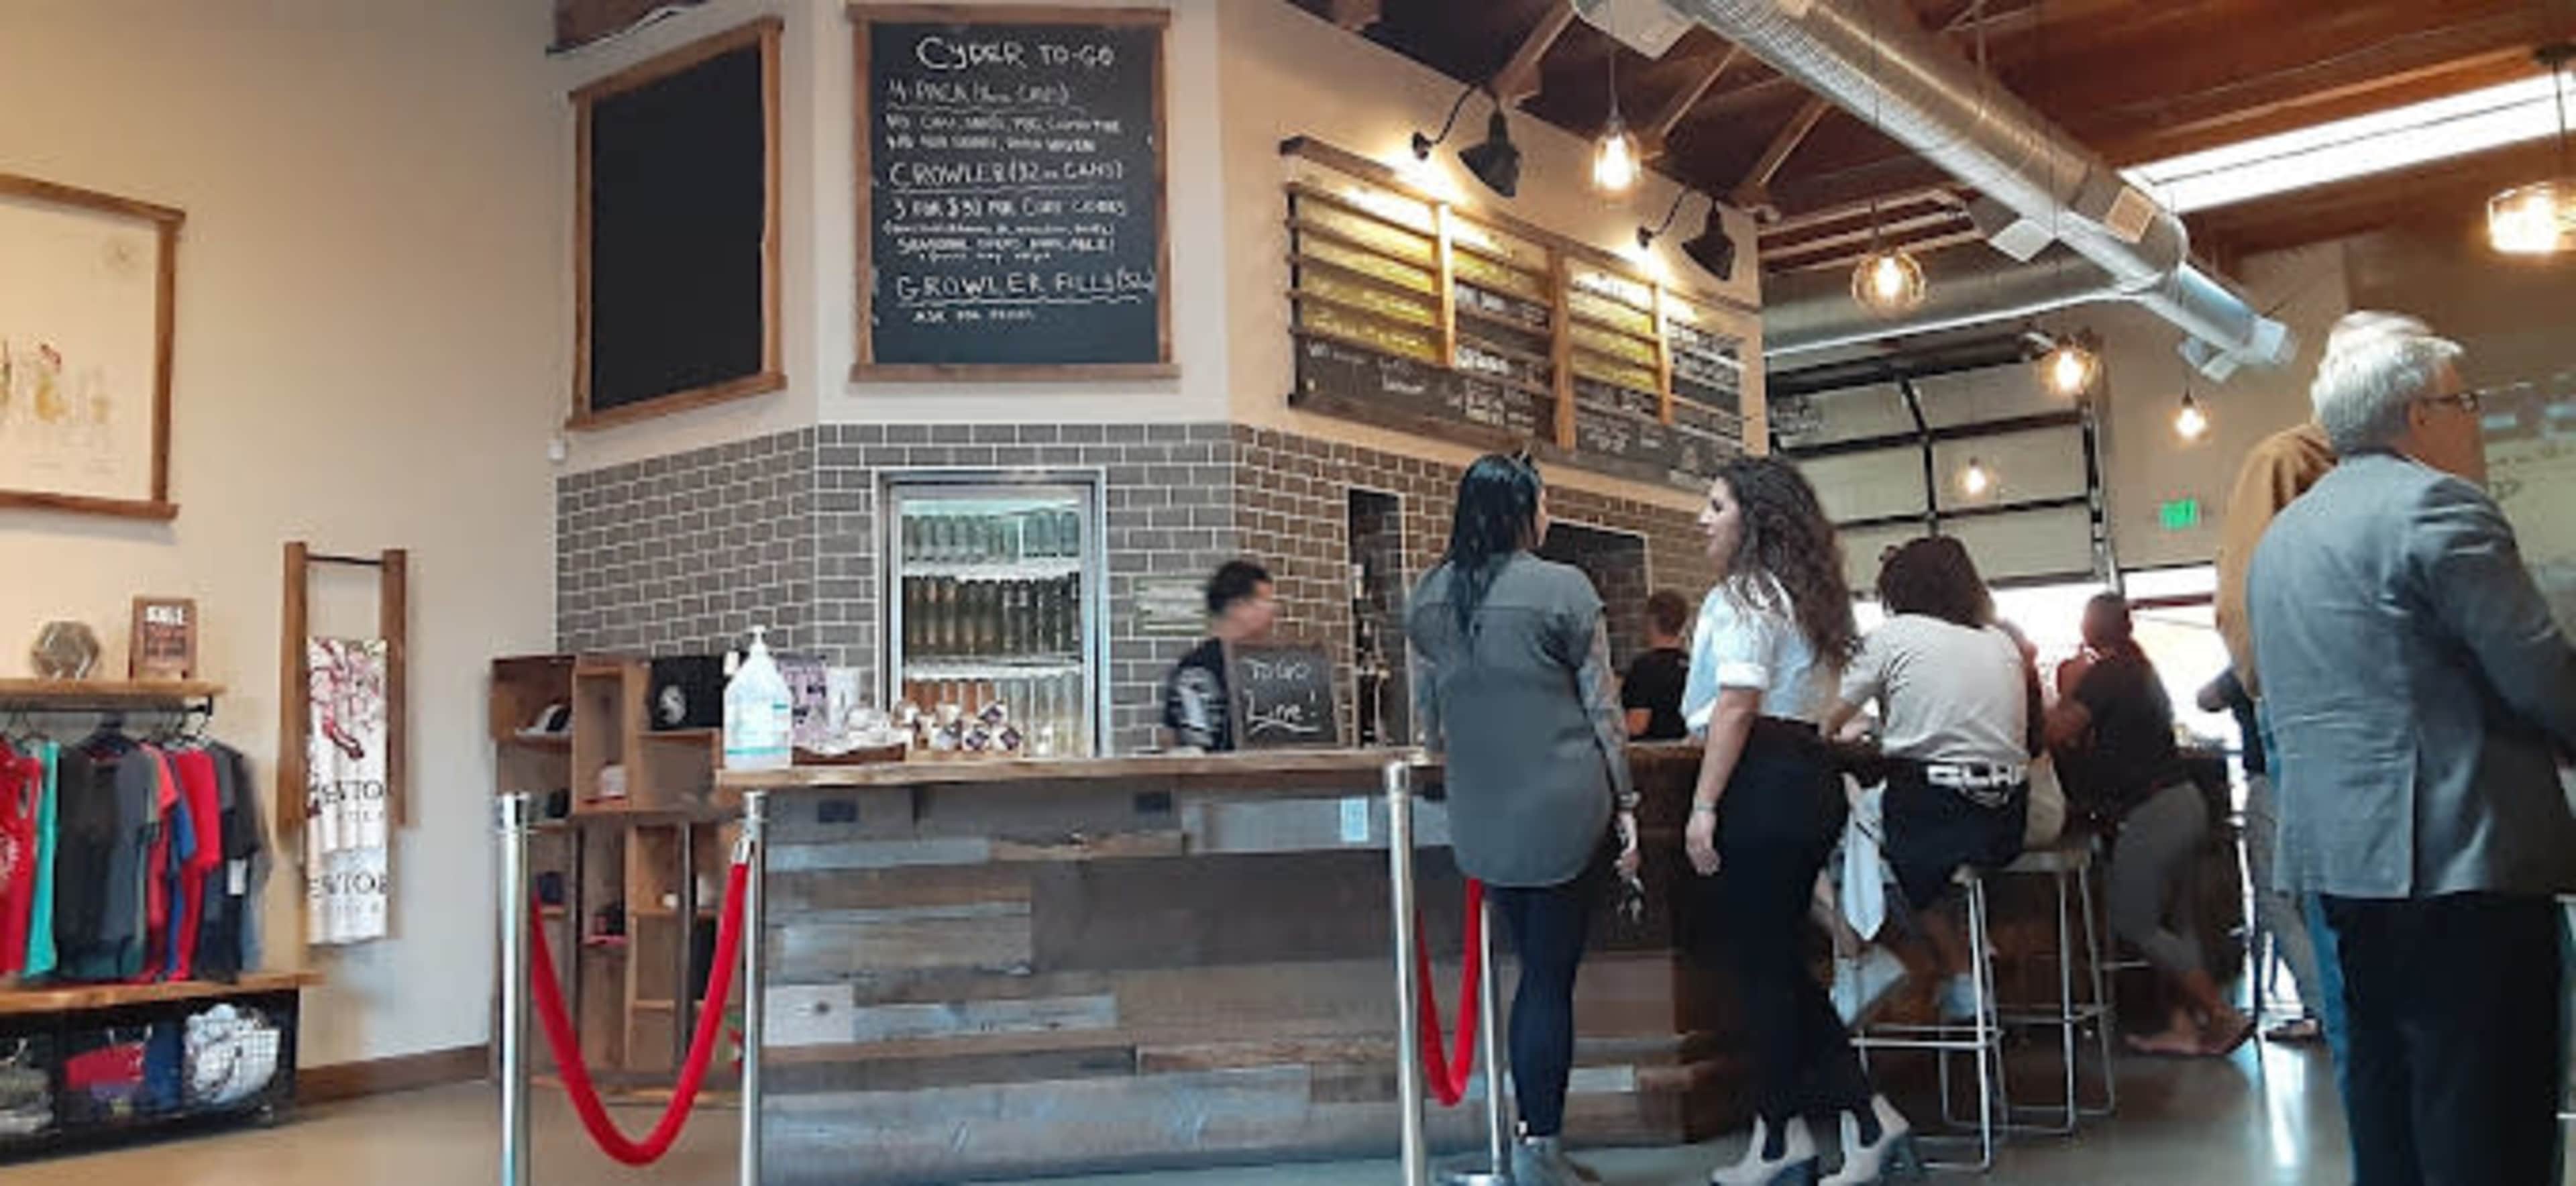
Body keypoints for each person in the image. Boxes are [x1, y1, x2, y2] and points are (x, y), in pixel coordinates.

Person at [2249, 311, 2576, 1186]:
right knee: (2488, 1111)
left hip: (2344, 866)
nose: (2474, 420)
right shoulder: (2440, 506)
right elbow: (2540, 673)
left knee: (2387, 1103)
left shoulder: (2284, 537)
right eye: (2464, 402)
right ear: (2418, 414)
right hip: (2461, 855)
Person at [1406, 453, 1638, 1186]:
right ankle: (1542, 1146)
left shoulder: (1429, 595)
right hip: (1567, 805)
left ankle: (1528, 1144)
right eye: (1543, 502)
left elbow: (1427, 717)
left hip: (1482, 812)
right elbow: (1604, 708)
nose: (1550, 514)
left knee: (1525, 974)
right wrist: (1627, 801)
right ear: (1519, 511)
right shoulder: (1564, 587)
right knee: (1548, 979)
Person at [1680, 457, 1911, 1186]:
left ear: (1754, 515)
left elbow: (1738, 703)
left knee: (1762, 970)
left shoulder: (1744, 592)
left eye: (1716, 505)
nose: (1702, 517)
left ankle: (1792, 1141)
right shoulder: (1808, 596)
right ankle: (1836, 1127)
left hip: (1762, 783)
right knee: (1776, 965)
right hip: (1809, 779)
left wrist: (1704, 804)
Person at [1823, 537, 2036, 1022]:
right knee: (1904, 857)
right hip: (2006, 819)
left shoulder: (1893, 636)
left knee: (1840, 840)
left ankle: (1867, 963)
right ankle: (1967, 961)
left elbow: (1826, 720)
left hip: (1934, 815)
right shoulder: (2000, 641)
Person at [2046, 593, 2252, 1057]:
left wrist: (2052, 698)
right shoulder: (2139, 669)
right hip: (2183, 804)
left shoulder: (2108, 673)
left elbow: (2058, 732)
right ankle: (2186, 1025)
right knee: (2177, 922)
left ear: (2093, 625)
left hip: (2153, 811)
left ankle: (2220, 1013)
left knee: (2134, 918)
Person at [2196, 667, 2323, 1044]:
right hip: (2323, 782)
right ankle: (2341, 1006)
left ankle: (2320, 1010)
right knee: (2317, 901)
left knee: (2276, 901)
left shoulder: (2252, 661)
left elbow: (2206, 699)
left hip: (2272, 783)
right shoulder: (2308, 648)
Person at [1159, 559, 1276, 752]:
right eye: (1264, 601)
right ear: (1237, 606)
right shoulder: (1199, 669)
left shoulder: (1273, 664)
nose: (1273, 609)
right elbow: (1187, 741)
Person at [1621, 590, 1693, 741]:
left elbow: (1637, 725)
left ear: (1651, 622)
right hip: (1694, 752)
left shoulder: (1644, 668)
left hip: (1655, 757)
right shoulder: (1693, 666)